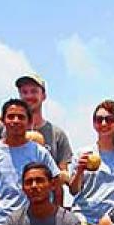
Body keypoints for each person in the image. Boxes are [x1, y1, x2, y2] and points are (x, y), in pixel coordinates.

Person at [68, 100, 114, 225]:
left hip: (110, 217)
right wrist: (80, 170)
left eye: (109, 119)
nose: (103, 123)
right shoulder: (83, 153)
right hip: (84, 214)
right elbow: (73, 190)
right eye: (98, 119)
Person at [16, 74, 73, 202]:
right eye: (24, 92)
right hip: (13, 207)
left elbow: (62, 177)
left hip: (46, 206)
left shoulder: (57, 134)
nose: (29, 96)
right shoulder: (7, 131)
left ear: (44, 96)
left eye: (34, 91)